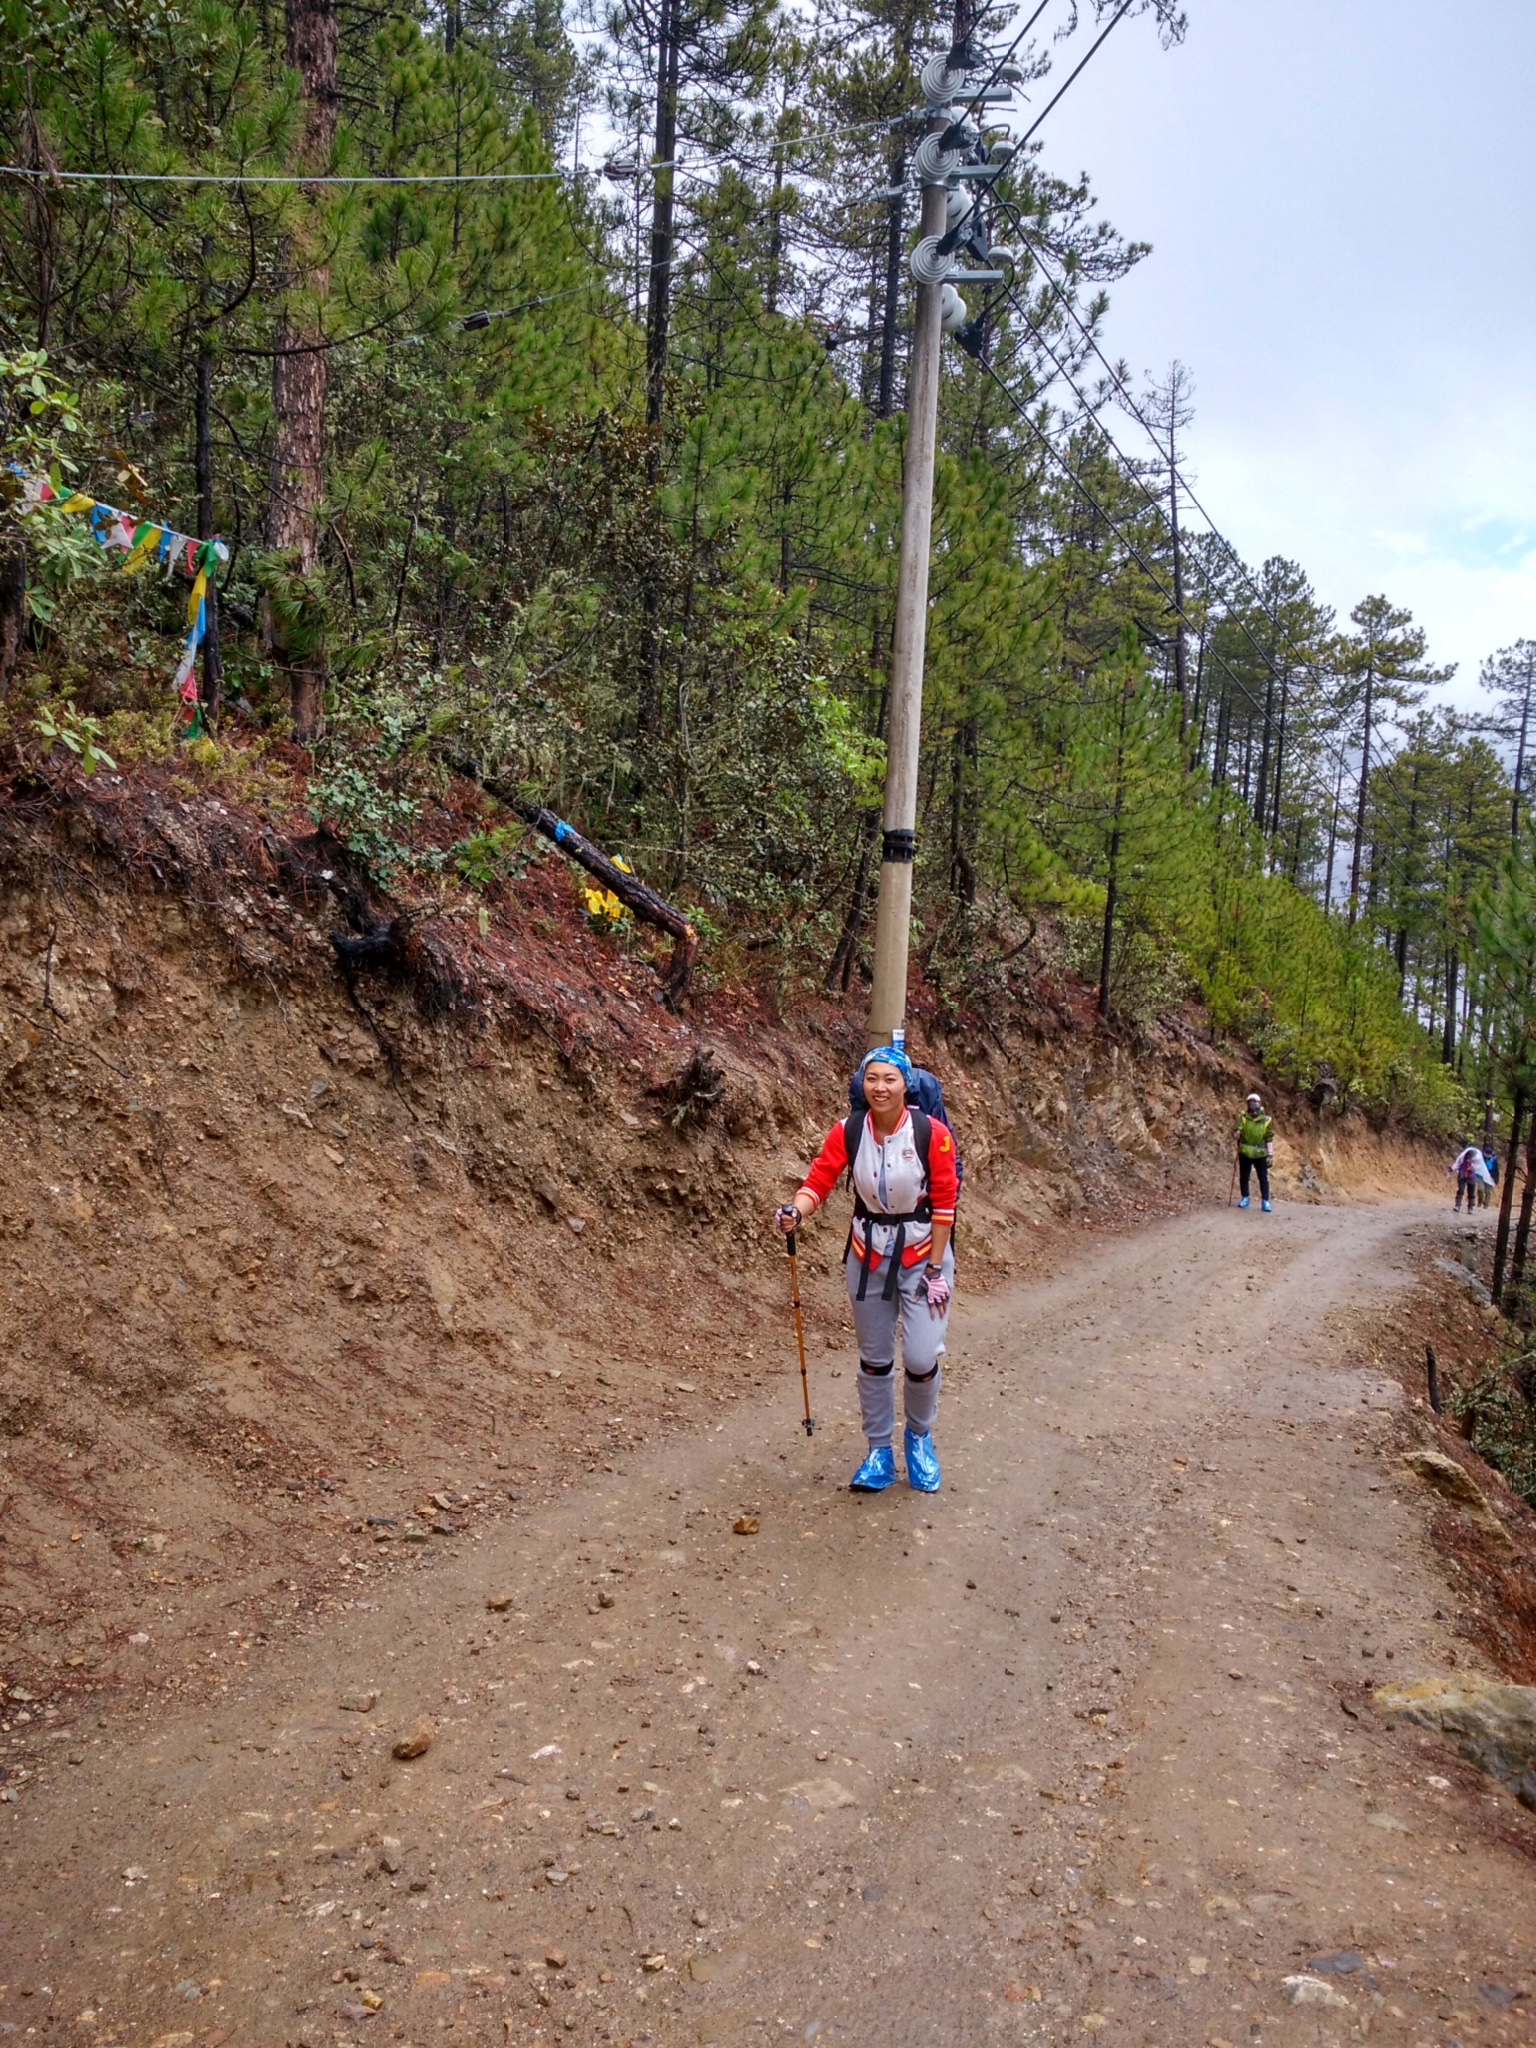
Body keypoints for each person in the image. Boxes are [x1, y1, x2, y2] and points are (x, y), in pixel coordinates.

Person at [776, 1045, 959, 1495]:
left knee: (920, 1357)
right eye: (872, 1079)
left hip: (923, 1255)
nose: (880, 1087)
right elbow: (820, 1179)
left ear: (905, 1084)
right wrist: (797, 1211)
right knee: (874, 1361)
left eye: (889, 1079)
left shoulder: (930, 1134)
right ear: (862, 1084)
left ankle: (918, 1437)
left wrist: (936, 1268)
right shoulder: (849, 1131)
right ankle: (879, 1449)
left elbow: (945, 1203)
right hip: (867, 1252)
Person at [1236, 1092, 1275, 1212]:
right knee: (1244, 1176)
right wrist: (1237, 1132)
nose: (1253, 1106)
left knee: (1263, 1178)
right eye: (1250, 1103)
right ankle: (1245, 1198)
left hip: (1260, 1153)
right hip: (1245, 1151)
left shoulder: (1267, 1120)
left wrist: (1270, 1154)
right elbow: (1239, 1128)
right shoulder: (1244, 1118)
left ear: (1259, 1104)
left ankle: (1265, 1201)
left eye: (1255, 1103)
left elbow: (1269, 1137)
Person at [1451, 1143, 1489, 1213]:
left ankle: (1470, 1207)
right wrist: (1452, 1168)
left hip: (1472, 1176)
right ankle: (1457, 1205)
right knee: (1461, 1190)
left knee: (1471, 1192)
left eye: (1471, 1156)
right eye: (1469, 1155)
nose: (1469, 1156)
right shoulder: (1462, 1157)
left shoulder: (1477, 1159)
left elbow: (1478, 1168)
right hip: (1462, 1174)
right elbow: (1458, 1163)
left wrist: (1471, 1166)